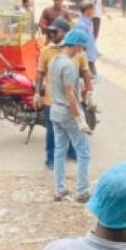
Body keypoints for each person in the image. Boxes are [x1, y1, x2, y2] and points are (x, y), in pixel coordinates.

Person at [35, 18, 87, 170]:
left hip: (72, 100)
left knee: (73, 132)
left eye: (55, 31)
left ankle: (71, 153)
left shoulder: (78, 52)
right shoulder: (46, 51)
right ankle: (50, 159)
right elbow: (39, 73)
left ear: (65, 33)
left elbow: (85, 71)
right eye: (50, 31)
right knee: (52, 133)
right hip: (53, 101)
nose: (51, 34)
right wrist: (37, 93)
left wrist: (88, 91)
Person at [48, 29, 93, 202]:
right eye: (81, 46)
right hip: (67, 112)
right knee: (83, 152)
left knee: (60, 150)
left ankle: (59, 189)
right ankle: (81, 191)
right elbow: (70, 93)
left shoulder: (54, 60)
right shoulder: (69, 66)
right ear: (75, 44)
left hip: (55, 111)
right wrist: (80, 119)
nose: (81, 50)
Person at [75, 1, 99, 77]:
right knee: (89, 80)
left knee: (92, 80)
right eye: (93, 9)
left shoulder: (89, 22)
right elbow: (80, 44)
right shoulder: (82, 25)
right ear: (88, 11)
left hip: (90, 56)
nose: (94, 11)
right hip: (85, 59)